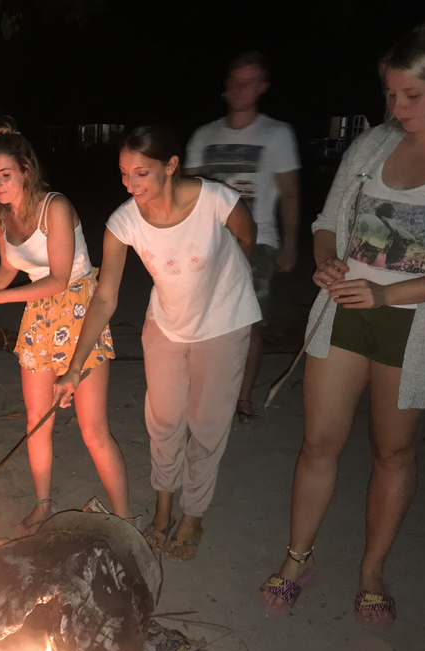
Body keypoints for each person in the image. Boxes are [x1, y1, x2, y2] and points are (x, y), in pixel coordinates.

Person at [259, 21, 425, 626]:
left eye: (411, 96)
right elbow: (326, 220)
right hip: (342, 313)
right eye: (390, 95)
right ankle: (297, 558)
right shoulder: (373, 145)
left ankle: (370, 569)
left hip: (413, 327)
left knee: (393, 451)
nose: (397, 108)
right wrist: (326, 262)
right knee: (319, 442)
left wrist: (388, 296)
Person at [57, 125, 260, 560]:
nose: (131, 185)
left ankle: (194, 514)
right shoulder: (124, 221)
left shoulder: (216, 200)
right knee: (164, 422)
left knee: (206, 425)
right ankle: (164, 508)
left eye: (141, 173)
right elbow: (105, 296)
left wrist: (226, 284)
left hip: (224, 323)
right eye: (124, 174)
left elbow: (247, 235)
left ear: (171, 167)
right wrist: (75, 366)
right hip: (166, 324)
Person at [0, 115, 130, 535]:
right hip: (38, 315)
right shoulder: (2, 217)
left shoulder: (56, 206)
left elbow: (57, 278)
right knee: (38, 420)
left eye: (6, 175)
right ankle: (42, 505)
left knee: (93, 431)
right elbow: (6, 266)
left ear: (26, 170)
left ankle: (126, 519)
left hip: (78, 309)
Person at [184, 51, 301, 422]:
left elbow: (290, 193)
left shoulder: (276, 133)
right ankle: (203, 392)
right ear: (225, 86)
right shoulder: (205, 135)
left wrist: (290, 244)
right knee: (201, 321)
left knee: (247, 323)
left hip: (258, 241)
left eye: (249, 81)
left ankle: (242, 397)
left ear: (262, 87)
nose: (240, 88)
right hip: (209, 242)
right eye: (235, 80)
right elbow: (187, 194)